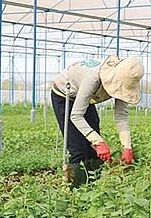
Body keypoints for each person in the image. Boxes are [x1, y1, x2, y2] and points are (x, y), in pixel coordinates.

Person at [51, 55, 144, 187]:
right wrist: (98, 141)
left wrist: (127, 147)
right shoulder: (93, 78)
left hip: (85, 99)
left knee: (94, 151)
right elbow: (76, 115)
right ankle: (73, 192)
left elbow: (121, 116)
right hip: (64, 95)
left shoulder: (123, 84)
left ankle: (92, 187)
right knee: (78, 149)